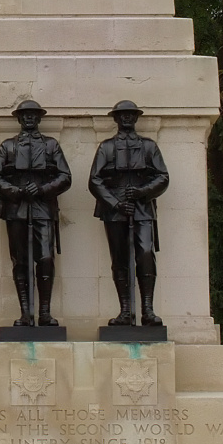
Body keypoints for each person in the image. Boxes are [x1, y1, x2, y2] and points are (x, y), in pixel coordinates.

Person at [0, 99, 72, 328]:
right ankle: (26, 312)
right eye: (25, 115)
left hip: (43, 208)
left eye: (33, 115)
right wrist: (16, 191)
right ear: (19, 118)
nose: (29, 118)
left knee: (45, 258)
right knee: (20, 261)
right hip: (16, 209)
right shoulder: (8, 146)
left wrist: (43, 189)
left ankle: (44, 312)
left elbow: (65, 176)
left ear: (39, 117)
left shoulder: (51, 145)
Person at [88, 100, 171, 327]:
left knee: (145, 254)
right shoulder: (106, 147)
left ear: (136, 118)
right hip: (114, 211)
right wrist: (115, 203)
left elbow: (162, 177)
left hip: (142, 208)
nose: (126, 118)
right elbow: (95, 180)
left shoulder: (148, 146)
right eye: (122, 115)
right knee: (120, 259)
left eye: (130, 115)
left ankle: (147, 309)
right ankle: (125, 310)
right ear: (115, 118)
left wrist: (142, 192)